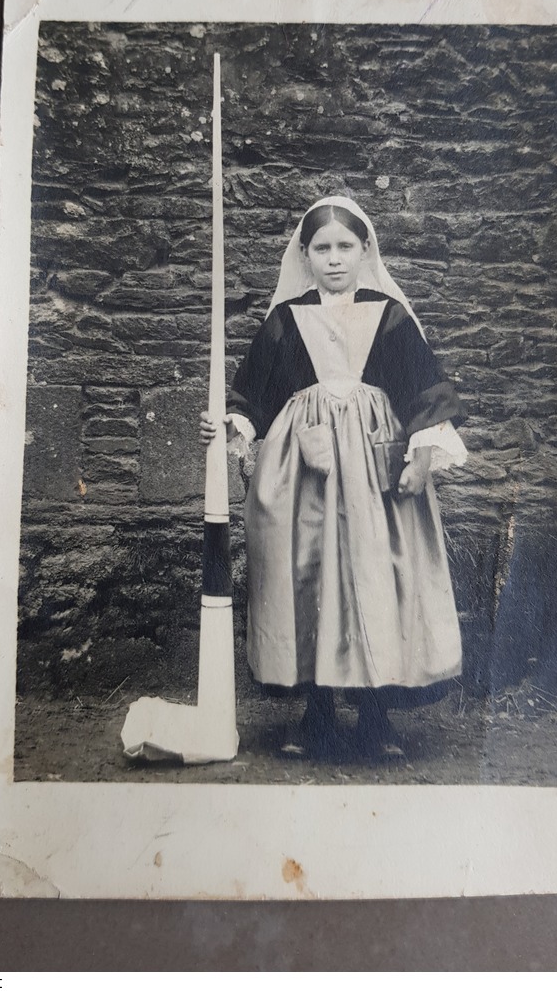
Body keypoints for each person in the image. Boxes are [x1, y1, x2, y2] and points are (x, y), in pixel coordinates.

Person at [200, 195, 467, 759]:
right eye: (322, 248)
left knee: (373, 580)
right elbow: (257, 392)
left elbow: (423, 389)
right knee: (311, 578)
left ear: (365, 250)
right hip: (305, 472)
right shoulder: (287, 319)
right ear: (305, 254)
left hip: (375, 472)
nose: (335, 259)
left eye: (346, 246)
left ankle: (376, 716)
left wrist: (421, 457)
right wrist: (233, 423)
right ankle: (316, 714)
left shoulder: (389, 315)